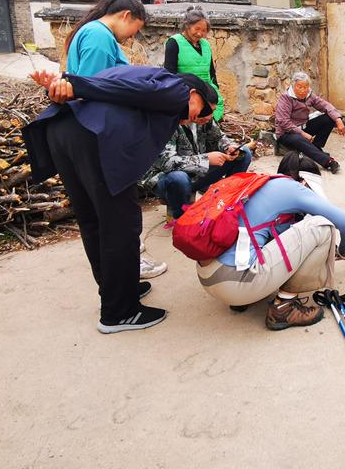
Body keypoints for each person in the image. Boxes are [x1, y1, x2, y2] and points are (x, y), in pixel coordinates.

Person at [22, 65, 218, 334]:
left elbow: (121, 92)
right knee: (121, 224)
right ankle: (119, 312)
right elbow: (130, 91)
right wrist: (74, 84)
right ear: (194, 92)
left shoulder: (143, 76)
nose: (198, 119)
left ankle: (117, 291)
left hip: (64, 131)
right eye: (203, 111)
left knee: (94, 220)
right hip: (93, 138)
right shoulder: (176, 88)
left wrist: (71, 89)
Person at [60, 0, 165, 278]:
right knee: (117, 213)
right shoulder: (99, 36)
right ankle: (127, 268)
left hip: (94, 132)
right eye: (134, 31)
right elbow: (97, 89)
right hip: (99, 135)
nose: (131, 38)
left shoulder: (91, 32)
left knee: (110, 213)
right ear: (126, 16)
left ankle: (123, 271)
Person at [195, 171, 345, 331]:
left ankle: (242, 301)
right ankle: (283, 308)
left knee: (267, 233)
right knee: (322, 226)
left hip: (208, 276)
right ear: (304, 182)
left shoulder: (260, 183)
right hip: (236, 285)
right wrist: (343, 253)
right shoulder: (293, 188)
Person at [141, 114, 252, 222]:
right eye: (208, 110)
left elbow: (219, 137)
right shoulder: (168, 122)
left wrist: (228, 147)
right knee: (179, 178)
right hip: (165, 178)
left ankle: (225, 204)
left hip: (196, 173)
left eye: (212, 111)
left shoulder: (205, 117)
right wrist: (205, 159)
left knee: (244, 154)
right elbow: (167, 163)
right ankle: (181, 220)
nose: (209, 117)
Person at [274, 71, 345, 174]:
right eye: (299, 87)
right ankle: (328, 162)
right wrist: (303, 134)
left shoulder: (309, 95)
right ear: (293, 86)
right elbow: (284, 122)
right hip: (287, 133)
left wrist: (338, 120)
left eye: (306, 87)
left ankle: (315, 148)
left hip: (304, 127)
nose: (303, 90)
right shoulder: (286, 98)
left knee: (329, 119)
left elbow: (325, 105)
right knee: (298, 138)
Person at [64, 0, 146, 77]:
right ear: (126, 16)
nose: (132, 36)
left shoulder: (95, 31)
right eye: (137, 30)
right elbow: (91, 85)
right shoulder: (99, 36)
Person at [163, 8, 225, 121]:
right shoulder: (174, 43)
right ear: (187, 26)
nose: (200, 33)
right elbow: (169, 76)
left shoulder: (206, 45)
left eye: (204, 30)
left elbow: (211, 74)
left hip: (208, 95)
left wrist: (215, 96)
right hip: (188, 98)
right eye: (197, 29)